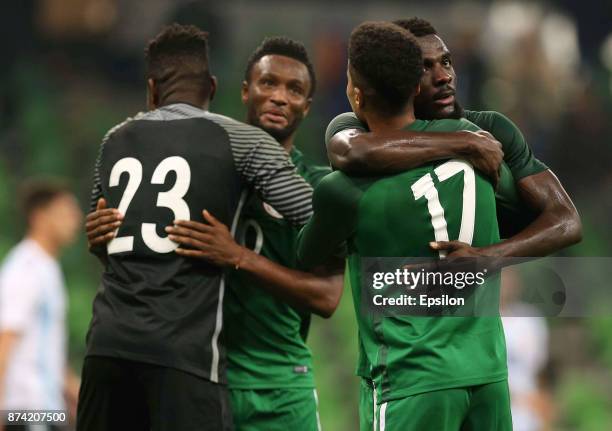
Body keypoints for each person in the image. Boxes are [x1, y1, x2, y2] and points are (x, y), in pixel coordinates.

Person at [86, 36, 343, 431]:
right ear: (244, 91)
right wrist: (106, 239)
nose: (278, 97)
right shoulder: (203, 167)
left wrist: (239, 256)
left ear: (307, 106)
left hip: (280, 382)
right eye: (268, 83)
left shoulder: (317, 186)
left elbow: (327, 298)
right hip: (202, 371)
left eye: (294, 90)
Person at [297, 21, 512, 430]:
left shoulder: (345, 189)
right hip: (488, 376)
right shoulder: (477, 143)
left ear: (356, 94)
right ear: (416, 88)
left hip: (411, 379)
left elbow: (306, 253)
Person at [326, 17, 581, 253]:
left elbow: (567, 220)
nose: (444, 76)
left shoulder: (492, 127)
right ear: (400, 77)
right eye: (424, 67)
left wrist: (488, 258)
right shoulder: (358, 126)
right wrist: (466, 143)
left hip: (473, 290)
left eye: (446, 62)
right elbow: (351, 151)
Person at [0, 179, 82, 431]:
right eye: (66, 212)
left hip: (49, 411)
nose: (76, 219)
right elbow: (5, 338)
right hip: (24, 412)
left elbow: (47, 351)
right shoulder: (25, 268)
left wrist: (76, 393)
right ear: (40, 217)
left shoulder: (48, 269)